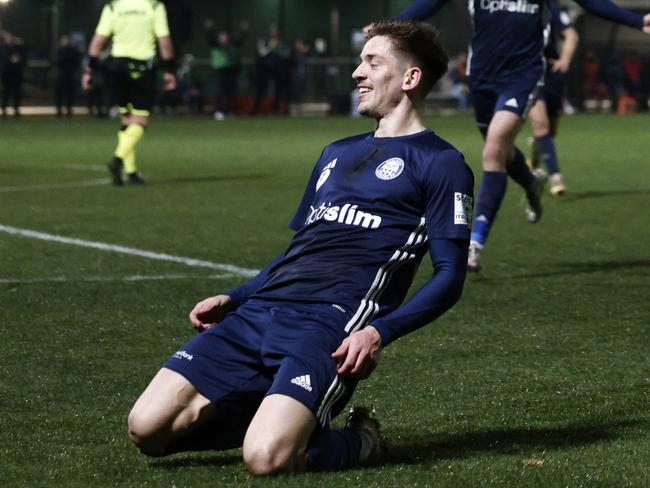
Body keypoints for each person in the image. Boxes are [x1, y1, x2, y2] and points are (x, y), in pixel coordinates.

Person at [127, 20, 474, 474]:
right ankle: (278, 412)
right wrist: (237, 297)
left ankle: (360, 440)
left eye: (373, 62)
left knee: (266, 459)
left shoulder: (442, 163)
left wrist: (377, 332)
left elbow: (449, 278)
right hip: (263, 310)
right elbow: (301, 251)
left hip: (329, 325)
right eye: (359, 61)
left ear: (410, 79)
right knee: (146, 429)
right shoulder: (335, 153)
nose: (357, 72)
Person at [397, 0, 650, 271]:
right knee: (499, 149)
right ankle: (531, 182)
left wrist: (637, 21)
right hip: (482, 76)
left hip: (522, 75)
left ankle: (475, 243)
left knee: (494, 151)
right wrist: (391, 26)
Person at [82, 0, 176, 186]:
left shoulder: (113, 6)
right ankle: (117, 160)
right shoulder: (154, 6)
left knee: (126, 119)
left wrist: (89, 71)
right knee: (140, 120)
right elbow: (164, 42)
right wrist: (170, 71)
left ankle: (131, 172)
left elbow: (97, 42)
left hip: (117, 68)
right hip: (141, 68)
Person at [527, 1, 579, 196]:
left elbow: (571, 35)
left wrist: (565, 60)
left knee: (551, 128)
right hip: (529, 73)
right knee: (541, 124)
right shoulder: (512, 8)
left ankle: (537, 148)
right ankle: (555, 177)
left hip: (552, 74)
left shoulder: (551, 8)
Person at [205, 19, 248, 119]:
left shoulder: (231, 45)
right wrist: (208, 29)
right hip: (220, 70)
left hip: (230, 70)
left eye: (225, 36)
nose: (224, 37)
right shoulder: (215, 44)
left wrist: (244, 30)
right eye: (222, 36)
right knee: (221, 91)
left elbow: (240, 40)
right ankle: (219, 111)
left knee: (230, 91)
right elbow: (209, 38)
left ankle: (227, 110)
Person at [55, 35, 82, 118]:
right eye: (63, 40)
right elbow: (56, 62)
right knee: (60, 94)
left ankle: (69, 110)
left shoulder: (72, 51)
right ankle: (59, 111)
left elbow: (76, 62)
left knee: (70, 94)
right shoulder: (59, 51)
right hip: (61, 76)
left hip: (70, 75)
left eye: (66, 40)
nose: (65, 42)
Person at [0, 31, 26, 118]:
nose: (9, 39)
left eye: (10, 37)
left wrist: (21, 44)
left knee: (17, 93)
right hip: (6, 74)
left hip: (16, 74)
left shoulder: (18, 47)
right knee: (6, 93)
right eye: (7, 37)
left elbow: (23, 57)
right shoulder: (2, 47)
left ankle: (16, 109)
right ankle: (4, 109)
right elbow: (4, 59)